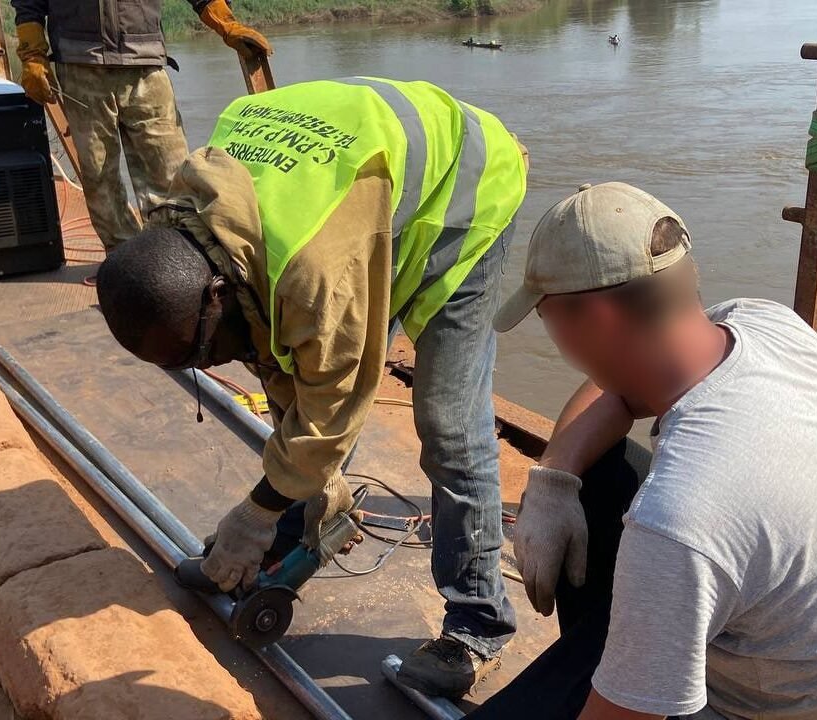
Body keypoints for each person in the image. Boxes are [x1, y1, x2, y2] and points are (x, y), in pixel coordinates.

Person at [94, 77, 528, 697]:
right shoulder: (200, 212)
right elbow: (274, 349)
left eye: (201, 351)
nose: (209, 365)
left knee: (447, 425)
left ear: (213, 292)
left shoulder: (315, 274)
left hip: (465, 194)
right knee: (281, 355)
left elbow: (333, 403)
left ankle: (477, 623)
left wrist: (256, 512)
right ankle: (298, 531)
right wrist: (293, 498)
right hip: (370, 195)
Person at [474, 182, 817, 719]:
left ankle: (622, 670)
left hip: (756, 710)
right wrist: (555, 476)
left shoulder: (680, 517)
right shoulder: (768, 325)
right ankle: (619, 657)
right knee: (597, 477)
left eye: (547, 317)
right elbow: (619, 387)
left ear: (595, 320)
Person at [12, 0, 271, 250]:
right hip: (80, 65)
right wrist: (32, 54)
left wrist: (227, 24)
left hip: (145, 62)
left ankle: (172, 255)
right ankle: (122, 258)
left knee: (170, 173)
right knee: (98, 175)